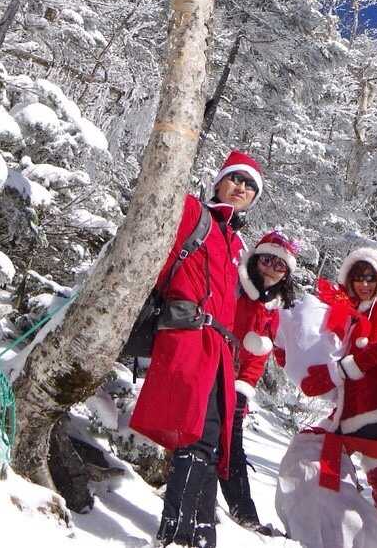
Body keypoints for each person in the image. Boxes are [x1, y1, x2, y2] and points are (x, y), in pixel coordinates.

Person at [129, 149, 265, 548]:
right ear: (219, 182)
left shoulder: (235, 242)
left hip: (218, 351)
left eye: (250, 186)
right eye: (235, 179)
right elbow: (158, 202)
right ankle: (175, 535)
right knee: (196, 437)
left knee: (212, 441)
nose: (241, 188)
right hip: (188, 338)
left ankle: (202, 536)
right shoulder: (194, 213)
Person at [299, 247, 377, 541]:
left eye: (371, 278)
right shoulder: (345, 310)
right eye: (358, 278)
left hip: (374, 402)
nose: (365, 284)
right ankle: (333, 532)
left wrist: (340, 370)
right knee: (325, 465)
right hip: (346, 405)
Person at [219, 229, 301, 536]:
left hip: (236, 383)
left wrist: (243, 388)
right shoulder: (233, 284)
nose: (271, 270)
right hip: (211, 371)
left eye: (280, 266)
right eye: (267, 260)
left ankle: (244, 512)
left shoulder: (272, 307)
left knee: (232, 444)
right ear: (255, 258)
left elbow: (259, 355)